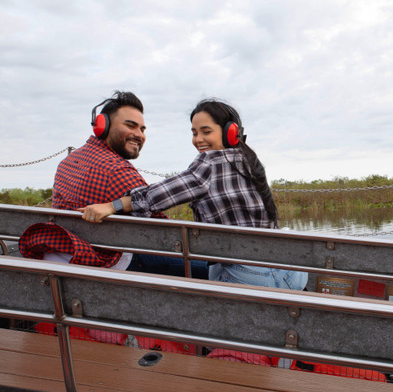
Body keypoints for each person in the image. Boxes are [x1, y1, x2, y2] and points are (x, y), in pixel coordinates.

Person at [79, 98, 308, 291]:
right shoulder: (248, 160)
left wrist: (113, 206)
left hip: (248, 276)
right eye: (194, 132)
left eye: (206, 132)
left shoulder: (209, 162)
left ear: (230, 132)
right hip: (290, 271)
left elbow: (159, 195)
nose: (198, 139)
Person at [19, 90, 208, 279]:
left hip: (63, 252)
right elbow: (163, 234)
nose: (139, 135)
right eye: (130, 126)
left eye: (142, 129)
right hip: (104, 260)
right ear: (103, 126)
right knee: (210, 266)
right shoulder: (117, 171)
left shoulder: (69, 161)